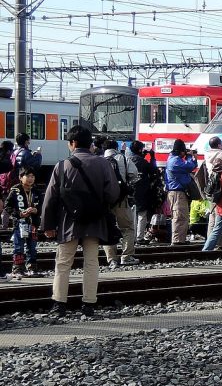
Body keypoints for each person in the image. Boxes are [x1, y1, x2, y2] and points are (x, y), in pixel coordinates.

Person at [40, 125, 120, 317]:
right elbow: (113, 194)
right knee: (91, 262)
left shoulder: (62, 165)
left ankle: (59, 304)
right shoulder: (103, 164)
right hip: (95, 221)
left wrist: (48, 225)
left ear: (73, 143)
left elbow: (50, 197)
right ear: (90, 143)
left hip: (69, 221)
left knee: (63, 263)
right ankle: (88, 304)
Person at [101, 139, 139, 269]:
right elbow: (134, 174)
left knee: (108, 228)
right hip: (121, 199)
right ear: (116, 147)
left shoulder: (99, 160)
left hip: (105, 201)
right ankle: (126, 257)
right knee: (127, 228)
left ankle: (111, 259)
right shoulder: (123, 158)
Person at [6, 167, 42, 278]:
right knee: (18, 247)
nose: (31, 179)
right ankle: (18, 269)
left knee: (32, 247)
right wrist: (20, 214)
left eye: (33, 176)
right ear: (21, 177)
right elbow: (8, 207)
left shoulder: (36, 191)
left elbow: (42, 206)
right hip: (19, 224)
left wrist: (36, 210)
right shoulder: (15, 190)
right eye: (28, 176)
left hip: (33, 224)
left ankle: (32, 268)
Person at [164, 139, 197, 244]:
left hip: (176, 192)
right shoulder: (175, 161)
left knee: (181, 216)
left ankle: (180, 240)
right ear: (181, 151)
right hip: (177, 193)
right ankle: (177, 241)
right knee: (180, 217)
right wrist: (189, 156)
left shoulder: (173, 159)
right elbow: (190, 166)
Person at [129, 141, 161, 246]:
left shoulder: (128, 159)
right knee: (142, 214)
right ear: (139, 150)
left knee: (132, 214)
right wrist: (152, 157)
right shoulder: (143, 162)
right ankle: (140, 237)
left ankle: (131, 237)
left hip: (129, 190)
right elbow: (153, 171)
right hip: (142, 190)